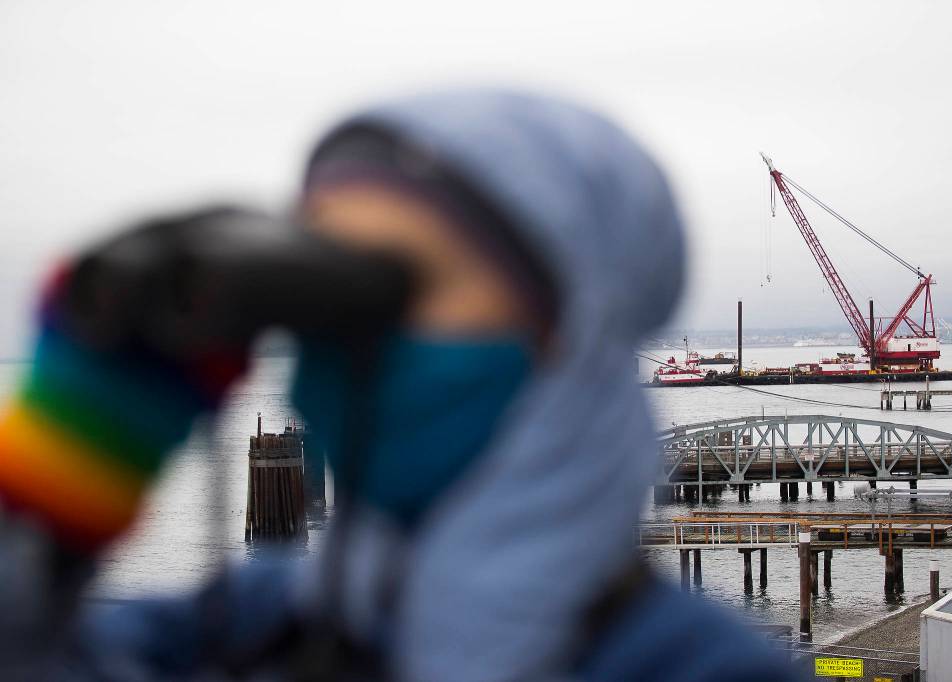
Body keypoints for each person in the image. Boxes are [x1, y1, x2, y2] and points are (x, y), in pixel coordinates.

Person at [0, 88, 799, 680]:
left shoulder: (700, 667)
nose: (352, 335)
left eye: (400, 286)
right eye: (334, 287)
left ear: (568, 332)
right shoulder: (257, 621)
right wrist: (55, 485)